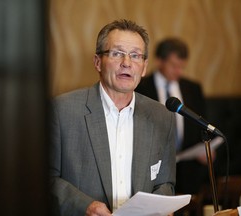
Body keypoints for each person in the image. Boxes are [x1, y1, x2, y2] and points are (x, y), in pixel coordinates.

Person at [50, 19, 176, 216]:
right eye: (117, 53)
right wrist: (85, 206)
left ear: (143, 67)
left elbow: (165, 183)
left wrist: (160, 206)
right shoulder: (62, 111)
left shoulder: (162, 116)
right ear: (98, 62)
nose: (127, 63)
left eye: (135, 56)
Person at [136, 38, 208, 195]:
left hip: (188, 167)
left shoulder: (193, 88)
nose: (179, 72)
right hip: (153, 166)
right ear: (159, 61)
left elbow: (199, 123)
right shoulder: (140, 87)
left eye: (182, 67)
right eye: (174, 66)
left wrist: (205, 148)